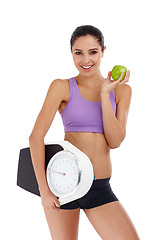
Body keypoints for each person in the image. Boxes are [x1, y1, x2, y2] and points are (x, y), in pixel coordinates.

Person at [29, 25, 140, 240]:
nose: (86, 60)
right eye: (78, 53)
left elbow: (115, 141)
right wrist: (44, 190)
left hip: (99, 187)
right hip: (62, 185)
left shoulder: (122, 91)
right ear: (71, 53)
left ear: (103, 51)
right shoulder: (61, 86)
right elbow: (35, 137)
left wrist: (105, 92)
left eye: (93, 52)